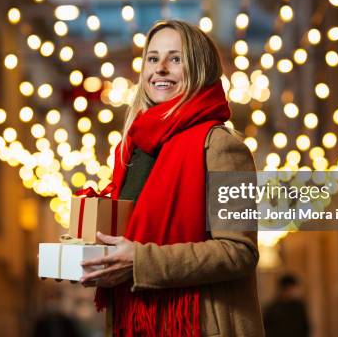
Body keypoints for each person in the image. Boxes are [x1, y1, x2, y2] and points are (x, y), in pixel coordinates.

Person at [79, 20, 264, 336]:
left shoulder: (222, 146)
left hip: (200, 325)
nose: (160, 68)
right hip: (136, 323)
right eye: (153, 58)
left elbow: (238, 252)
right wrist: (80, 257)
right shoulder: (132, 150)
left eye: (175, 59)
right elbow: (127, 241)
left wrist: (140, 261)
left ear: (200, 69)